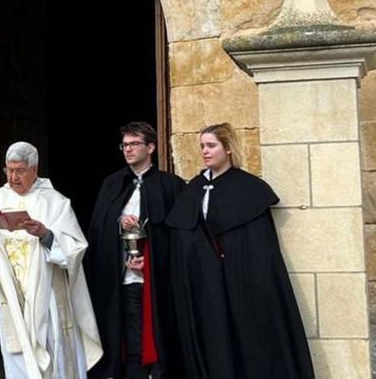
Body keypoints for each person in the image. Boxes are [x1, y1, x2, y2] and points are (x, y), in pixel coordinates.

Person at [167, 123, 314, 379]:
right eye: (202, 146)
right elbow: (183, 238)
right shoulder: (193, 188)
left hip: (242, 282)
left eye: (211, 146)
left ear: (228, 149)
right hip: (205, 286)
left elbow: (259, 248)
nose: (205, 151)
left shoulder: (248, 189)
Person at [0, 141, 102, 379]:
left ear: (34, 169)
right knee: (17, 357)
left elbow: (74, 249)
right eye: (9, 170)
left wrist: (45, 235)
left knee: (53, 352)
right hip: (10, 292)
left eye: (19, 170)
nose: (13, 177)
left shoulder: (55, 202)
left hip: (46, 294)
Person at [84, 123, 186, 379]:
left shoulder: (170, 185)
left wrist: (150, 251)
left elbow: (177, 236)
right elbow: (99, 228)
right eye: (124, 145)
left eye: (133, 144)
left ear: (150, 147)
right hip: (124, 276)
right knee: (130, 334)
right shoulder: (112, 184)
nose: (127, 149)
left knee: (160, 332)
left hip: (159, 279)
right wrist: (119, 220)